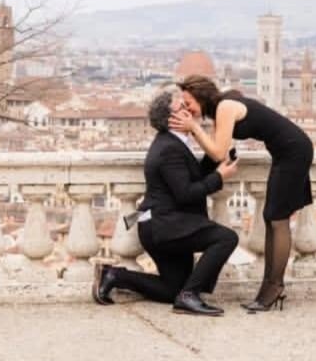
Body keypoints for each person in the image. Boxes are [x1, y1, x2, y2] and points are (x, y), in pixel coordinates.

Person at [170, 75, 314, 312]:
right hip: (285, 152)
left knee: (277, 219)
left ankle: (274, 287)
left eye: (188, 103)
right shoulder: (221, 107)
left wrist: (194, 128)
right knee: (271, 217)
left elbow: (218, 153)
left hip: (294, 151)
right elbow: (219, 150)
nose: (187, 108)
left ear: (201, 97)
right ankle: (270, 286)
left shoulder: (225, 107)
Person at [92, 84, 240, 316]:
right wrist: (219, 177)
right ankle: (189, 296)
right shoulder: (169, 148)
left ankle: (114, 275)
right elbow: (186, 193)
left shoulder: (172, 143)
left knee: (173, 289)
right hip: (164, 225)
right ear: (172, 119)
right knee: (226, 238)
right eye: (182, 107)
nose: (189, 110)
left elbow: (190, 176)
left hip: (160, 223)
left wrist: (216, 156)